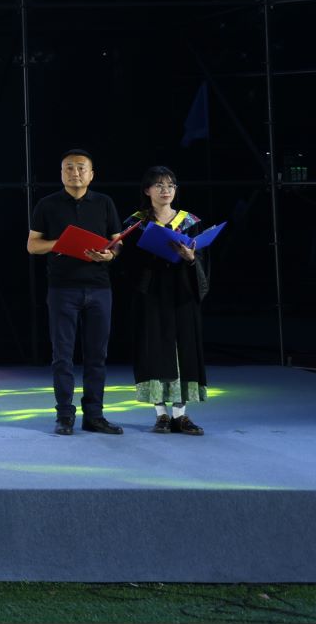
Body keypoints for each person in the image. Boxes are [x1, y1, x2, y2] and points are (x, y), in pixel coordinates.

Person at [27, 148, 124, 436]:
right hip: (62, 289)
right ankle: (64, 415)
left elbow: (117, 241)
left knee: (97, 356)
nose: (75, 172)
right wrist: (62, 243)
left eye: (81, 167)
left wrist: (110, 255)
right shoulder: (47, 205)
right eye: (68, 167)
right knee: (63, 356)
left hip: (99, 288)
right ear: (61, 173)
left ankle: (94, 415)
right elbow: (32, 245)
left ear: (91, 174)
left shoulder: (104, 203)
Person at [124, 166, 210, 435]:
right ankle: (161, 414)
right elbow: (126, 264)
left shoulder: (190, 222)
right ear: (147, 190)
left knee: (185, 348)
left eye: (170, 185)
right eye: (159, 185)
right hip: (151, 293)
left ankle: (180, 415)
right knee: (154, 349)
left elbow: (202, 259)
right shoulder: (135, 224)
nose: (166, 190)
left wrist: (191, 259)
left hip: (183, 292)